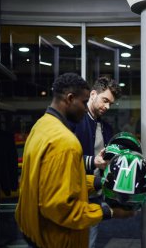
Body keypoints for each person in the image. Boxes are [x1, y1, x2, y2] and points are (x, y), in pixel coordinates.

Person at [15, 73, 133, 248]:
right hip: (54, 238)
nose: (86, 109)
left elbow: (59, 181)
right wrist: (111, 211)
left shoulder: (40, 126)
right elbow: (61, 209)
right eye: (84, 103)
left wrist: (101, 181)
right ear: (70, 99)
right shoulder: (65, 141)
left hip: (33, 228)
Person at [70, 76, 122, 248]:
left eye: (110, 104)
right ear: (93, 94)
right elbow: (65, 160)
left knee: (89, 243)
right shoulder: (73, 122)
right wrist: (93, 162)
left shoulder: (106, 128)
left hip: (95, 194)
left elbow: (105, 161)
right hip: (74, 194)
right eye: (105, 100)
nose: (107, 107)